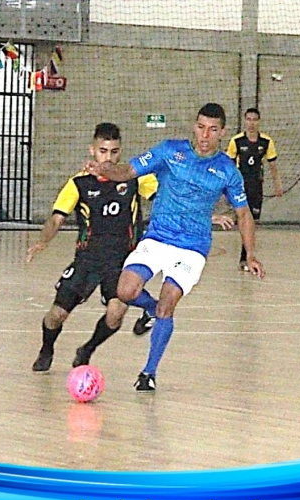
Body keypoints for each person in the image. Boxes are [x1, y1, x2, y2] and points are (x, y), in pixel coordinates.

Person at [84, 103, 265, 392]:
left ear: (223, 132)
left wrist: (251, 254)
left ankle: (148, 373)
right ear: (194, 125)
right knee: (125, 291)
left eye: (213, 130)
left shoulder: (228, 171)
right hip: (157, 238)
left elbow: (243, 213)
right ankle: (150, 309)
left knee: (168, 303)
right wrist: (105, 168)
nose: (205, 135)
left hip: (192, 248)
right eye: (201, 127)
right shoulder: (170, 151)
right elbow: (128, 170)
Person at [27, 122, 158, 373]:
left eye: (114, 152)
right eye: (103, 151)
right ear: (92, 150)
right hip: (87, 259)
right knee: (56, 315)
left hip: (121, 263)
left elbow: (168, 197)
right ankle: (47, 349)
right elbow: (57, 217)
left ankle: (87, 349)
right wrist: (43, 240)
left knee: (116, 312)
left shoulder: (134, 178)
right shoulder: (79, 183)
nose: (108, 158)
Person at [226, 107, 282, 271]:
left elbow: (273, 166)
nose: (251, 123)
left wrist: (278, 184)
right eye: (248, 119)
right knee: (244, 219)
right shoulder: (236, 141)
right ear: (245, 121)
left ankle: (246, 257)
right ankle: (245, 258)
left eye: (254, 120)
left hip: (256, 187)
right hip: (240, 187)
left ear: (259, 122)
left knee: (253, 221)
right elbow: (228, 166)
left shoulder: (266, 142)